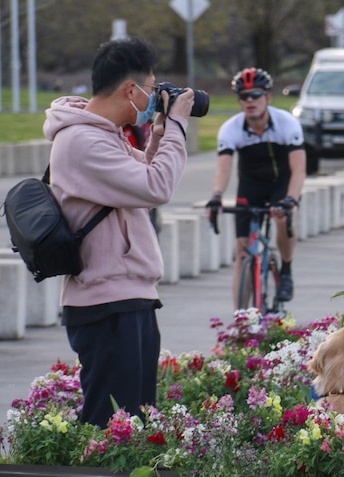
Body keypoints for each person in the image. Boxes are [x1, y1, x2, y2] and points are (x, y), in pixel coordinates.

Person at [43, 37, 196, 428]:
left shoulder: (103, 133)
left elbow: (139, 184)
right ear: (132, 89)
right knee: (112, 425)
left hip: (128, 296)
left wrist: (160, 132)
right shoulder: (82, 141)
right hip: (106, 302)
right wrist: (178, 123)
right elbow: (156, 188)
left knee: (135, 424)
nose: (152, 97)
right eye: (151, 87)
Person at [207, 68, 306, 308]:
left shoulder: (287, 123)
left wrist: (290, 200)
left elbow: (299, 170)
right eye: (244, 96)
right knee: (242, 253)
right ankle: (240, 321)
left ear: (268, 97)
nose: (250, 101)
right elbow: (223, 169)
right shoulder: (231, 129)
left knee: (283, 218)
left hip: (281, 184)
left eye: (256, 95)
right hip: (250, 187)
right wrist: (216, 196)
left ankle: (286, 268)